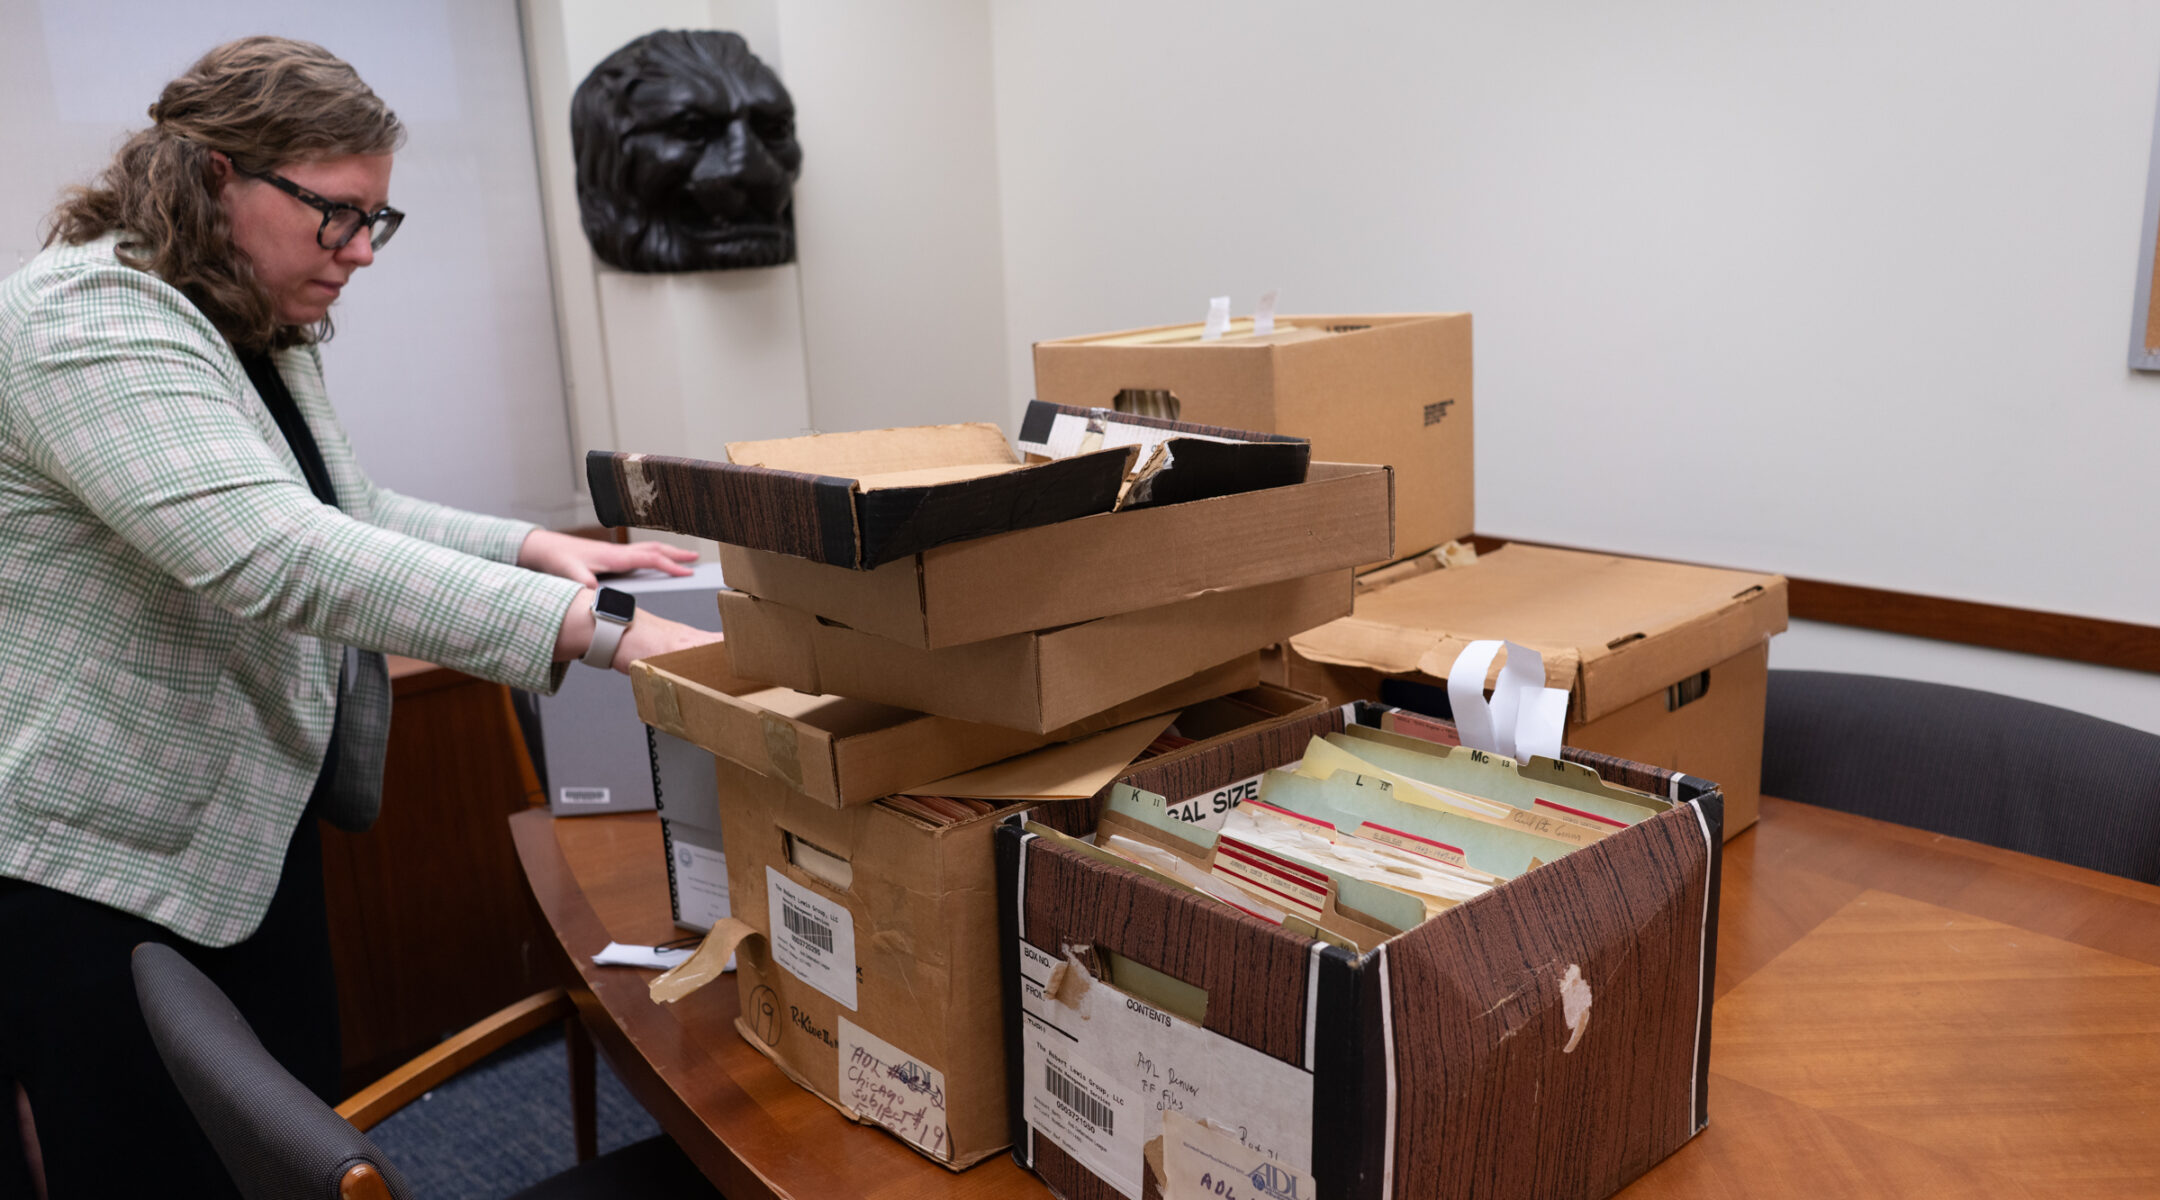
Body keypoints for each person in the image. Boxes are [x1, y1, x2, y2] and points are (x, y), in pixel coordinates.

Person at [0, 36, 721, 1197]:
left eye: (376, 222)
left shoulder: (242, 315)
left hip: (241, 816)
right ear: (213, 174)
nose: (360, 254)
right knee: (162, 1168)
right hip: (109, 857)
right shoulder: (88, 320)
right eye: (339, 215)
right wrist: (608, 633)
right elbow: (266, 549)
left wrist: (548, 549)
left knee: (295, 1146)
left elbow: (348, 506)